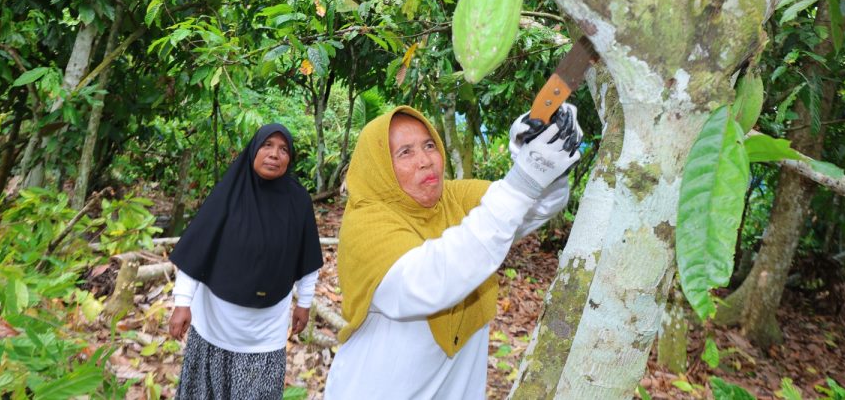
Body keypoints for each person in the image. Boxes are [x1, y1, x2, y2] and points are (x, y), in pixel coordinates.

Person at [324, 105, 581, 399]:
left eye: (429, 145)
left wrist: (549, 166)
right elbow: (428, 283)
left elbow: (529, 210)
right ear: (378, 165)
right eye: (405, 152)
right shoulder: (365, 222)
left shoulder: (451, 198)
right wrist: (523, 181)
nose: (424, 161)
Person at [167, 123, 323, 399]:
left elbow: (307, 254)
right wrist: (182, 303)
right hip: (216, 323)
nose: (275, 154)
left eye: (283, 149)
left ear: (290, 158)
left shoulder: (297, 201)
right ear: (253, 150)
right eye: (267, 146)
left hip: (266, 331)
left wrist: (305, 303)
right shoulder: (227, 195)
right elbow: (196, 251)